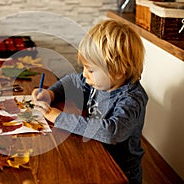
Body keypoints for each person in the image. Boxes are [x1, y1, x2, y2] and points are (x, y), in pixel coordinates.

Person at [32, 19, 148, 184]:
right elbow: (73, 81)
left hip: (120, 172)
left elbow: (110, 132)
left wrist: (55, 116)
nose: (85, 75)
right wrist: (51, 94)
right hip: (95, 153)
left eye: (91, 70)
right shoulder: (102, 81)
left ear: (118, 72)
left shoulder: (132, 99)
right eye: (85, 68)